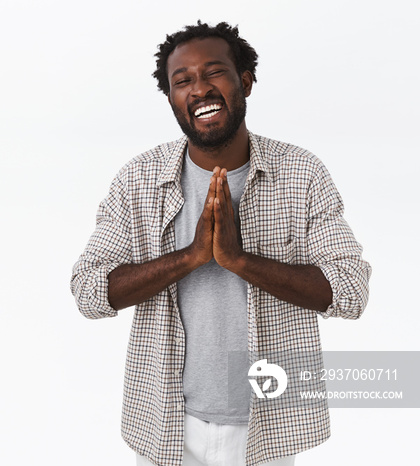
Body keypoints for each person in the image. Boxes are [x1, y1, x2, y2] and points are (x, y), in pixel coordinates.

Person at [70, 21, 371, 466]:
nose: (199, 89)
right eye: (183, 81)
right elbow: (88, 292)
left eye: (214, 73)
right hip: (166, 425)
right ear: (171, 97)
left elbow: (350, 291)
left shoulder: (301, 174)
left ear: (244, 81)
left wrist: (239, 260)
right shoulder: (138, 180)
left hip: (266, 427)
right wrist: (190, 257)